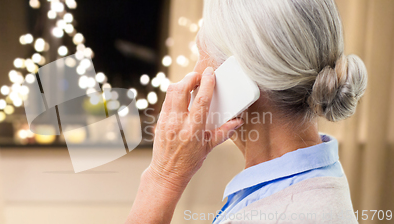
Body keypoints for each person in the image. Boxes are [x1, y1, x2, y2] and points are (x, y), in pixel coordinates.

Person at [126, 0, 367, 223]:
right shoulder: (320, 178)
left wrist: (162, 178)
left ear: (238, 77)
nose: (195, 73)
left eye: (202, 54)